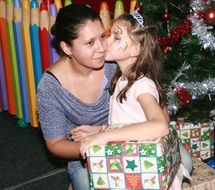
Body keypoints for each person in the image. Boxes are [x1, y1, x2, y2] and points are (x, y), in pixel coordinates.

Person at [72, 11, 192, 189]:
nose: (107, 41)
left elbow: (160, 125)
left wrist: (104, 137)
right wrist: (99, 130)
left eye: (117, 38)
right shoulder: (123, 78)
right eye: (109, 34)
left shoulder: (141, 86)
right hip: (134, 161)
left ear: (136, 49)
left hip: (147, 170)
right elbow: (132, 122)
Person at [36, 4, 117, 190]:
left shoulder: (115, 62)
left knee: (181, 163)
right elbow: (55, 143)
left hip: (132, 135)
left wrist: (104, 134)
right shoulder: (50, 88)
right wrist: (95, 145)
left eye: (102, 37)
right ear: (67, 47)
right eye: (90, 43)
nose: (101, 48)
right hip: (86, 154)